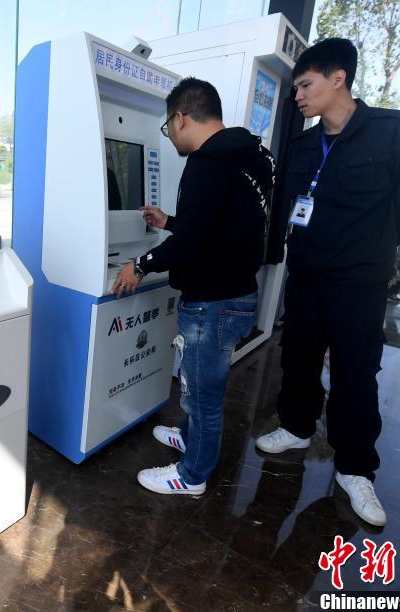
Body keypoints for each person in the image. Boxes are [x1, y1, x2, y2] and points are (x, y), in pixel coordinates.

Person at [254, 39, 400, 527]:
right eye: (295, 88)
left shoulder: (394, 131)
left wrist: (380, 244)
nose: (298, 96)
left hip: (360, 282)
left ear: (339, 79)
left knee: (356, 372)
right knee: (298, 357)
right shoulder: (304, 146)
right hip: (308, 276)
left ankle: (356, 469)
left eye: (305, 85)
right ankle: (294, 426)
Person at [110, 77, 274, 497]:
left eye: (168, 127)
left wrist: (140, 264)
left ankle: (192, 474)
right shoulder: (251, 155)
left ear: (181, 118)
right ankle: (189, 436)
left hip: (212, 304)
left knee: (203, 393)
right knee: (200, 382)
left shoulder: (207, 163)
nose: (170, 137)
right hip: (237, 294)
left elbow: (192, 245)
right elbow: (220, 229)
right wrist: (169, 222)